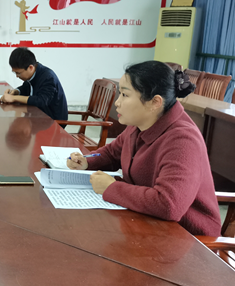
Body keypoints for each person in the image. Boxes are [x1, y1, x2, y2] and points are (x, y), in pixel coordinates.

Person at [67, 61, 221, 236]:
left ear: (155, 102)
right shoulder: (139, 124)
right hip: (147, 222)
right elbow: (112, 153)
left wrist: (112, 188)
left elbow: (169, 204)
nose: (117, 103)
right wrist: (87, 162)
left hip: (188, 238)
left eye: (125, 95)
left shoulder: (183, 140)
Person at [0, 47, 68, 121]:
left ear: (30, 67)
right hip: (37, 116)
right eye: (15, 73)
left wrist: (13, 98)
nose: (17, 76)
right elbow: (25, 87)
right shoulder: (34, 73)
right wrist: (16, 91)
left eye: (18, 73)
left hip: (52, 120)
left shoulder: (48, 77)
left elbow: (41, 100)